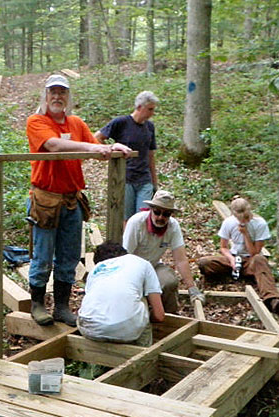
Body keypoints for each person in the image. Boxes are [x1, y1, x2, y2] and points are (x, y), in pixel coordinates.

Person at [26, 73, 131, 327]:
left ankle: (62, 306)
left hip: (72, 200)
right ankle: (38, 305)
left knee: (70, 255)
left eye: (62, 92)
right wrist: (94, 148)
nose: (57, 97)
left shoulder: (76, 123)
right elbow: (52, 145)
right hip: (46, 200)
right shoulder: (37, 121)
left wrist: (113, 147)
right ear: (46, 95)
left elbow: (95, 147)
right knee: (42, 253)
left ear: (68, 97)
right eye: (53, 92)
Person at [197, 197, 279, 314]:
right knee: (204, 262)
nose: (244, 221)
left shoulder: (260, 224)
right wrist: (231, 259)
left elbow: (254, 252)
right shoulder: (228, 222)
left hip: (251, 261)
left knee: (260, 260)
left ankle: (272, 299)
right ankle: (225, 276)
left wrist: (246, 234)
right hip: (233, 259)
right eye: (241, 218)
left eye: (247, 217)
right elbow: (223, 247)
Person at [122, 189, 205, 313]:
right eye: (157, 212)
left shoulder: (173, 226)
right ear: (151, 209)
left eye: (166, 214)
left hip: (154, 266)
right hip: (133, 268)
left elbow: (181, 260)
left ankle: (170, 318)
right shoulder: (136, 223)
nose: (160, 217)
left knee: (169, 281)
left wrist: (192, 289)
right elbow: (125, 256)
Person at [77, 241, 164, 346]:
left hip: (88, 329)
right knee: (140, 298)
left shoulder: (96, 269)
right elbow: (159, 315)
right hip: (126, 332)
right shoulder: (142, 263)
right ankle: (144, 349)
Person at [94, 91, 159, 221]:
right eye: (150, 109)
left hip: (144, 179)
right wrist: (111, 150)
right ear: (140, 107)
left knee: (144, 216)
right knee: (127, 218)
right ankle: (127, 241)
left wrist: (154, 182)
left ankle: (140, 242)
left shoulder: (149, 127)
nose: (152, 113)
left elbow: (150, 155)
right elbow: (97, 137)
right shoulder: (121, 122)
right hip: (125, 178)